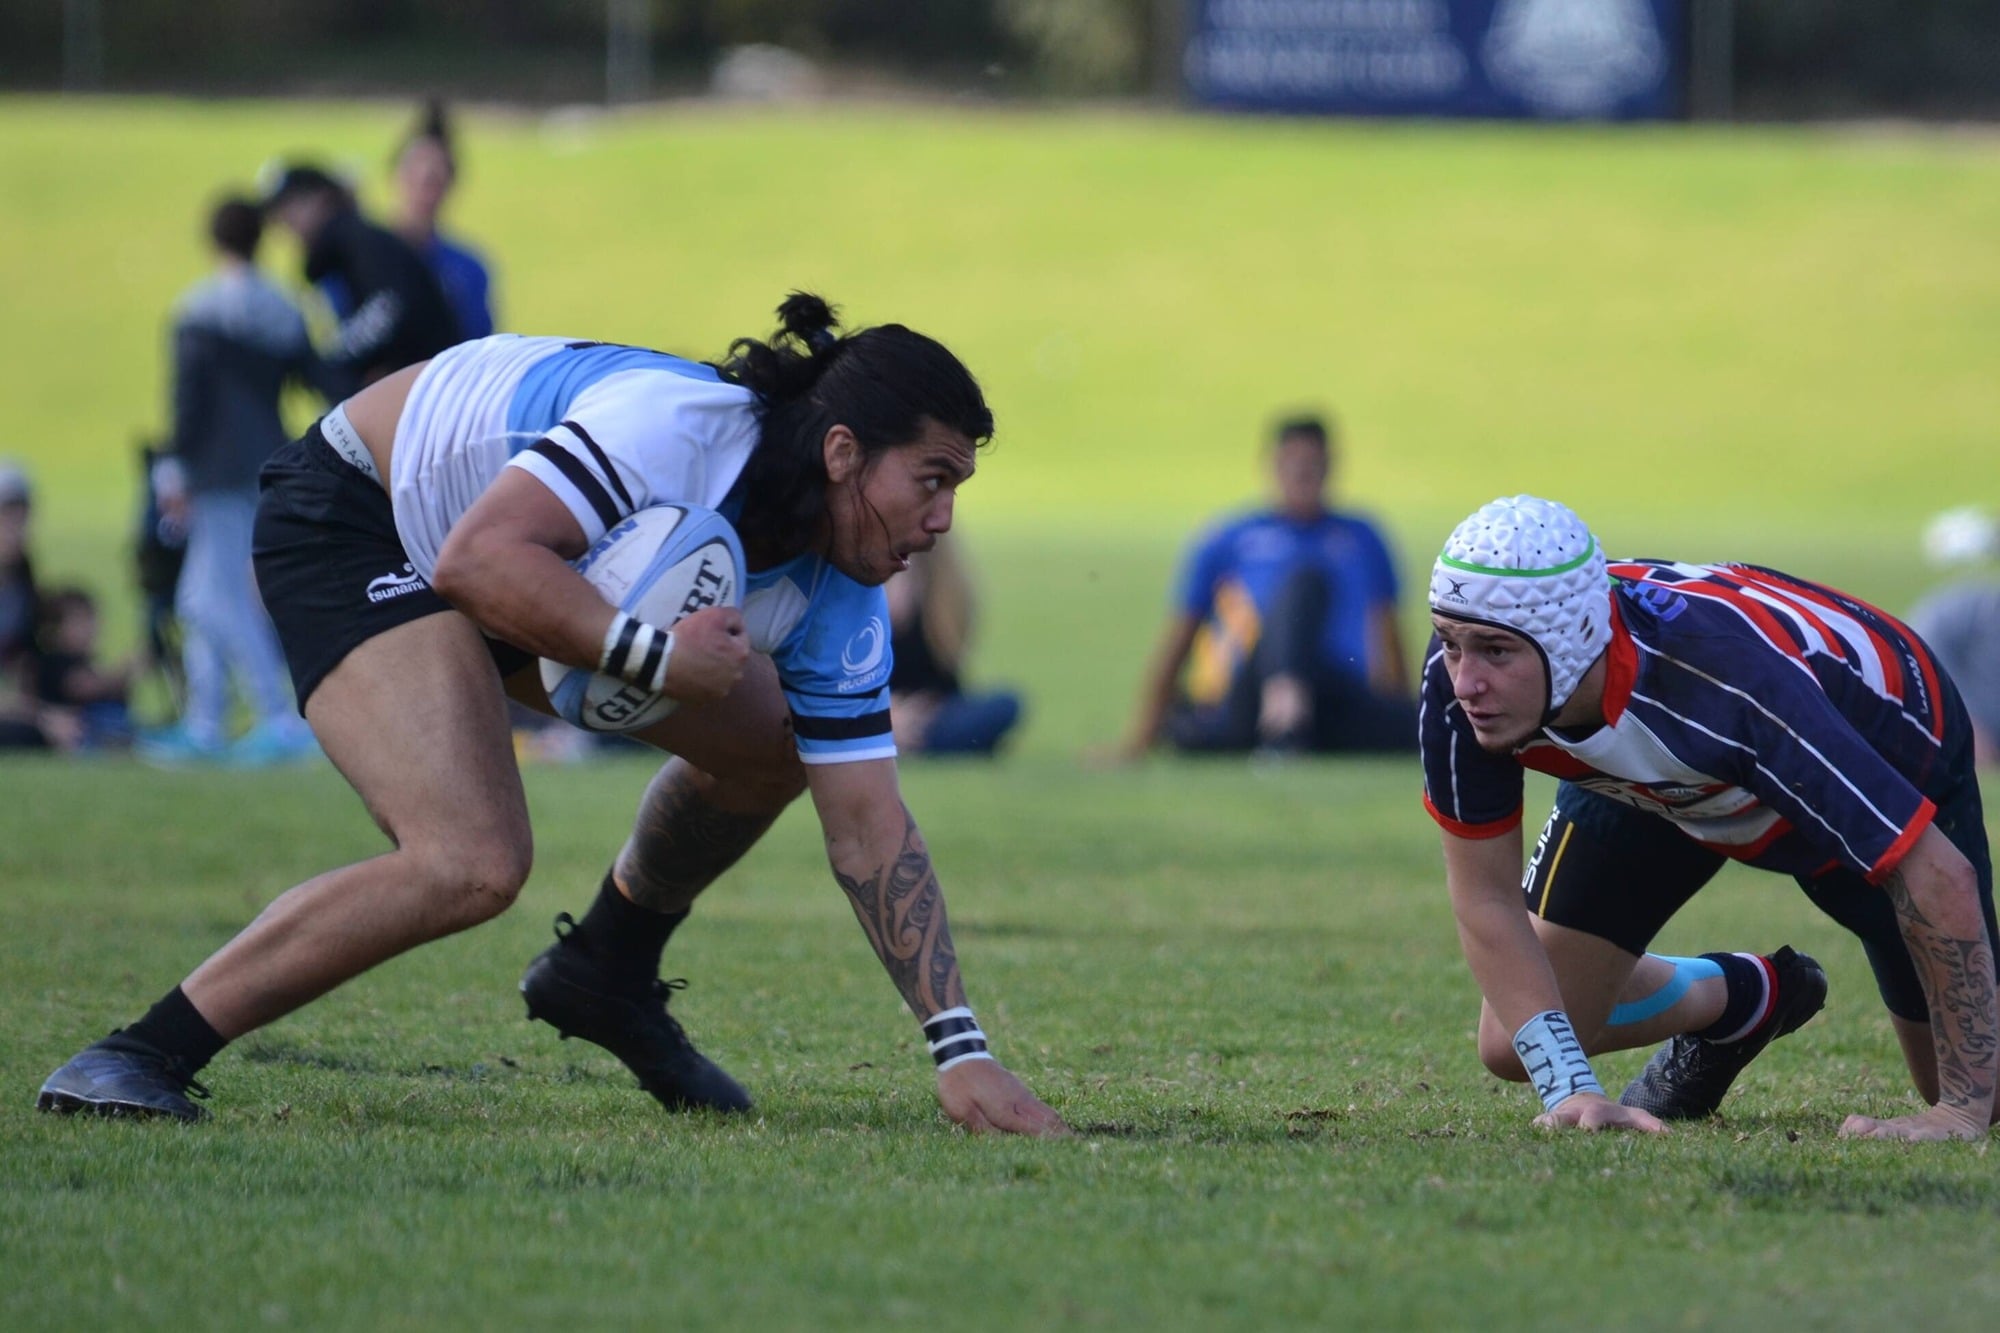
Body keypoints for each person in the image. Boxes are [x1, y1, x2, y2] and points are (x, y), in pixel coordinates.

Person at [37, 293, 1067, 1138]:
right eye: (931, 480)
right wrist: (655, 657)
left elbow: (870, 827)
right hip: (364, 515)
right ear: (842, 451)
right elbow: (478, 558)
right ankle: (136, 1053)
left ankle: (606, 969)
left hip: (515, 568)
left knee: (775, 750)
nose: (943, 520)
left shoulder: (842, 591)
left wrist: (961, 1050)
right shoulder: (680, 430)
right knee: (471, 859)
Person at [1422, 495, 1995, 1141]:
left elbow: (1940, 875)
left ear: (1577, 637)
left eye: (1496, 652)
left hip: (1860, 748)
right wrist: (1571, 1089)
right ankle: (1744, 998)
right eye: (1451, 642)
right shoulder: (1462, 673)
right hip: (1656, 776)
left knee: (1981, 1084)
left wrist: (1962, 1110)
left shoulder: (1728, 685)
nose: (1465, 681)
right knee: (1511, 1042)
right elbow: (1486, 896)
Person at [141, 196, 327, 767]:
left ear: (213, 239)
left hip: (214, 469)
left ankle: (278, 714)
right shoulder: (283, 306)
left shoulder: (197, 308)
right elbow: (314, 378)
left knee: (205, 599)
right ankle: (206, 720)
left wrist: (172, 467)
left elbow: (188, 400)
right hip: (267, 457)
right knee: (212, 591)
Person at [1112, 413, 1413, 759]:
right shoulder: (1230, 538)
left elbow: (1389, 633)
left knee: (1432, 726)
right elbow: (1181, 635)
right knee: (1305, 583)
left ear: (1330, 466)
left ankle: (1289, 727)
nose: (1302, 473)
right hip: (1252, 688)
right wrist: (1140, 737)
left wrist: (1400, 704)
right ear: (1273, 465)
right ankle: (1283, 706)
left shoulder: (1361, 537)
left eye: (1312, 463)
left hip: (1334, 690)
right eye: (1293, 462)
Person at [259, 162, 461, 398]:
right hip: (422, 386)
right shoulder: (340, 250)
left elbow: (388, 308)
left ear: (322, 199)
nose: (284, 221)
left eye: (290, 205)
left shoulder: (356, 241)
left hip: (426, 391)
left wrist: (331, 361)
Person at [886, 533, 1023, 755]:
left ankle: (909, 740)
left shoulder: (944, 589)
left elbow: (946, 670)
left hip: (936, 712)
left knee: (1005, 704)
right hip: (875, 706)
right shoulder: (860, 579)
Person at [389, 100, 496, 342]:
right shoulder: (364, 255)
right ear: (398, 176)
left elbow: (479, 343)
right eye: (416, 176)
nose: (424, 190)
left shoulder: (467, 269)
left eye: (435, 180)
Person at [34, 587, 133, 750]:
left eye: (92, 620)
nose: (90, 629)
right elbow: (83, 687)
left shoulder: (87, 662)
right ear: (56, 628)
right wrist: (125, 672)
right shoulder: (55, 661)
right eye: (81, 622)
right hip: (75, 735)